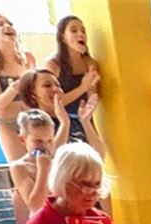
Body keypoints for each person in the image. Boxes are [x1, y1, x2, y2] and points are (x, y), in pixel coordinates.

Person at [0, 14, 36, 180]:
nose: (7, 26)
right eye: (0, 24)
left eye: (10, 23)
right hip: (8, 124)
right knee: (21, 174)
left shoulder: (28, 58)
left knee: (40, 170)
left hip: (32, 121)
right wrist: (14, 87)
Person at [18, 67, 105, 158]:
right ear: (32, 94)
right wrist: (64, 125)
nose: (55, 89)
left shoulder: (74, 119)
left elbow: (100, 156)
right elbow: (50, 159)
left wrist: (86, 122)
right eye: (47, 85)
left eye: (58, 86)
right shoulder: (33, 124)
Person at [45, 16, 100, 145]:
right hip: (60, 122)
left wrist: (92, 89)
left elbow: (91, 100)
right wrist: (83, 87)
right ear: (63, 37)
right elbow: (53, 103)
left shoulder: (90, 63)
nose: (80, 34)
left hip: (84, 121)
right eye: (74, 31)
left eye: (83, 31)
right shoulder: (53, 64)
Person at [9, 109, 66, 216]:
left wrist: (65, 123)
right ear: (23, 140)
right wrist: (43, 170)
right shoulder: (19, 167)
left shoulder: (55, 162)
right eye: (38, 141)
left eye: (50, 141)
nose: (45, 146)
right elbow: (36, 207)